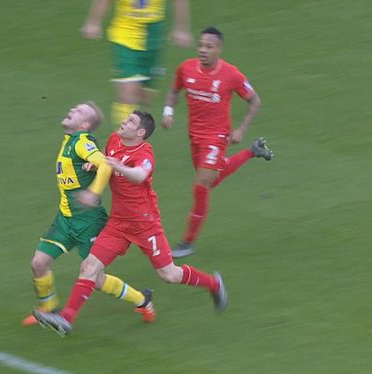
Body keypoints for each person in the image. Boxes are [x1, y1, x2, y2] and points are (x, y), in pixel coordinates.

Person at [33, 111, 226, 337]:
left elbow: (139, 175)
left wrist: (117, 166)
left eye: (131, 121)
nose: (124, 121)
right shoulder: (115, 139)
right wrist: (96, 166)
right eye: (126, 119)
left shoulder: (146, 153)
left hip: (145, 225)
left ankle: (214, 284)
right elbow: (106, 163)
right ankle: (65, 319)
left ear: (141, 132)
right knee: (89, 268)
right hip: (118, 223)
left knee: (169, 274)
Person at [22, 102, 156, 327]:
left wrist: (93, 193)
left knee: (96, 279)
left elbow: (104, 165)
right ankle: (48, 308)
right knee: (38, 263)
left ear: (84, 124)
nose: (72, 110)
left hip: (89, 222)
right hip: (65, 219)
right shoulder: (70, 141)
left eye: (79, 111)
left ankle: (142, 300)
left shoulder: (82, 143)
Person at [161, 27, 273, 258]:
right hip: (195, 136)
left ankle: (187, 242)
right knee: (211, 181)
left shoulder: (231, 74)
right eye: (201, 45)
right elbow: (174, 91)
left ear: (219, 49)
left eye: (209, 47)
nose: (203, 50)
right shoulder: (186, 68)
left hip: (217, 137)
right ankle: (252, 152)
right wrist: (168, 111)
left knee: (201, 186)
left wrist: (241, 128)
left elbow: (255, 101)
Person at [81, 0, 193, 127]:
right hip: (125, 33)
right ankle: (123, 144)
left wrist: (181, 27)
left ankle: (133, 133)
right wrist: (94, 21)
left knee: (145, 97)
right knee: (128, 95)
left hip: (153, 36)